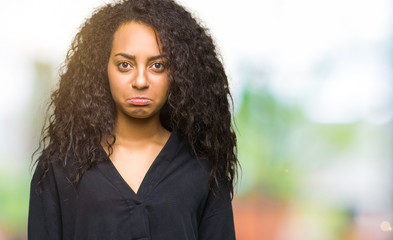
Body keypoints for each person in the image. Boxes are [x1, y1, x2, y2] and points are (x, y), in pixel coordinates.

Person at [28, 0, 239, 239]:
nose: (140, 81)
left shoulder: (202, 167)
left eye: (158, 65)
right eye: (124, 65)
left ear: (179, 72)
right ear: (102, 68)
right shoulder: (60, 166)